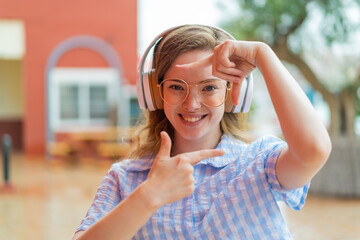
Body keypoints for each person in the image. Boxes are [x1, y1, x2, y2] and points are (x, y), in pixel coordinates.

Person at [73, 25, 331, 240]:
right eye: (176, 86)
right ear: (155, 93)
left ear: (231, 94)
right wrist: (149, 196)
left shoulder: (260, 162)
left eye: (208, 88)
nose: (191, 104)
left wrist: (261, 53)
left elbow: (314, 150)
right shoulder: (124, 179)